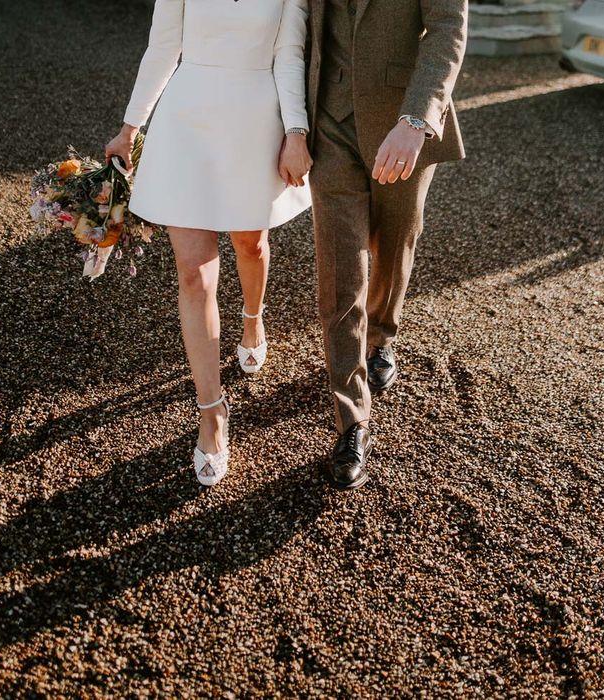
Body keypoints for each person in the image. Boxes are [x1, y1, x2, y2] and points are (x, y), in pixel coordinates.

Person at [106, 0, 313, 486]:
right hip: (186, 125)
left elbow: (290, 56)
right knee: (194, 273)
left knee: (251, 245)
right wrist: (130, 128)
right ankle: (212, 411)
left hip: (256, 123)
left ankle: (253, 320)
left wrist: (295, 132)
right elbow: (163, 48)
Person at [307, 0, 469, 489]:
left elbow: (447, 31)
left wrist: (417, 119)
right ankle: (352, 420)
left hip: (402, 123)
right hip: (328, 124)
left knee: (396, 243)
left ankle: (382, 334)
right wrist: (289, 124)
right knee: (341, 271)